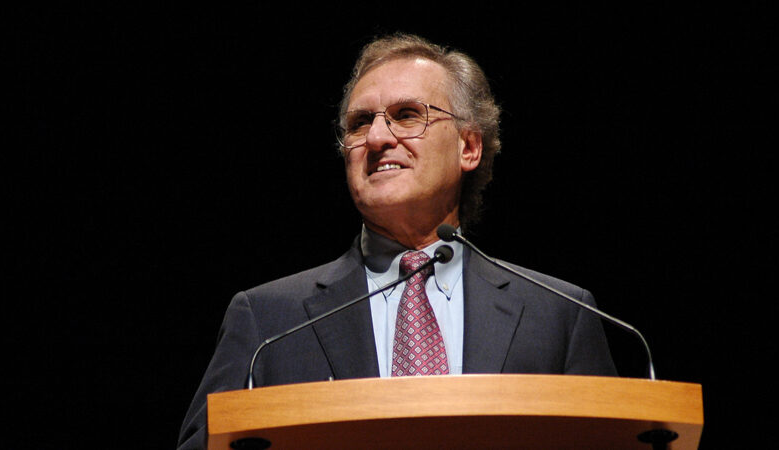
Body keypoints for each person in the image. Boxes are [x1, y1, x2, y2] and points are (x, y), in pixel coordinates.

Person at [177, 33, 616, 449]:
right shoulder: (268, 321)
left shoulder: (559, 315)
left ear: (469, 147)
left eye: (407, 115)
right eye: (360, 122)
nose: (377, 137)